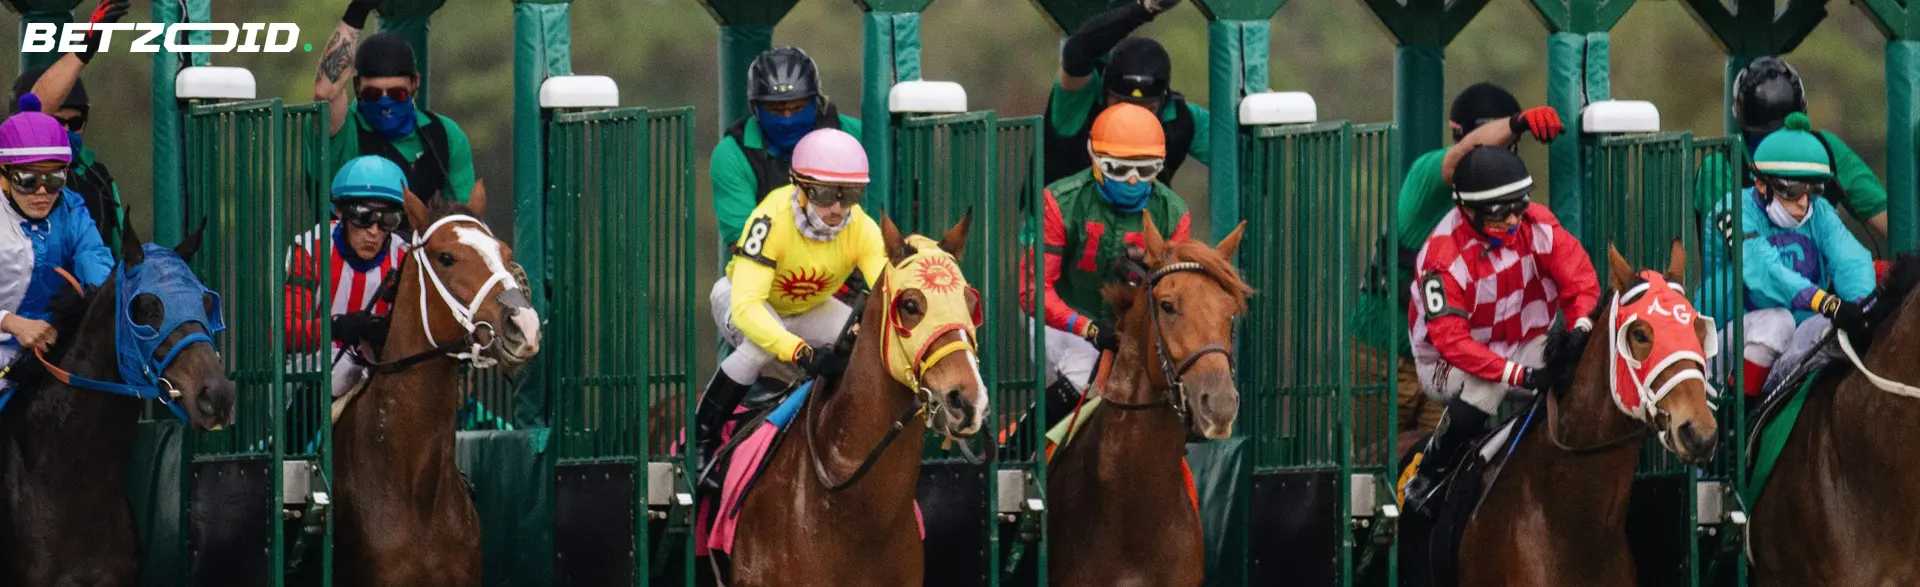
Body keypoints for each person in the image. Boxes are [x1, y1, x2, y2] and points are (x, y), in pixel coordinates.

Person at [1352, 83, 1563, 436]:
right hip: (1380, 357)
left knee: (1441, 473)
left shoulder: (1511, 207)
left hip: (1449, 366)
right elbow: (1468, 151)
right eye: (1497, 139)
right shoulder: (1430, 173)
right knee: (1365, 467)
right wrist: (1518, 122)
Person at [1400, 145, 1599, 511]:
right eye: (1499, 212)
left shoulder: (1537, 226)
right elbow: (1452, 342)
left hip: (1518, 345)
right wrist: (1517, 373)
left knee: (1579, 369)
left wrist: (1581, 329)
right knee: (1487, 384)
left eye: (1518, 206)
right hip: (1447, 362)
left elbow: (1581, 281)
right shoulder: (1442, 257)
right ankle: (1429, 471)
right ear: (1467, 211)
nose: (1512, 221)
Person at [694, 128, 888, 490]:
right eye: (827, 194)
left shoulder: (862, 227)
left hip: (808, 308)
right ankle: (700, 442)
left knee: (867, 347)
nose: (837, 209)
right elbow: (749, 307)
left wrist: (863, 329)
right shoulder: (771, 220)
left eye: (849, 195)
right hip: (742, 298)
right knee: (759, 346)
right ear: (800, 187)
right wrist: (799, 351)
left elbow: (884, 292)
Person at [1026, 103, 1193, 421]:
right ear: (1095, 160)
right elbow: (1032, 290)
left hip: (1131, 328)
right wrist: (1086, 327)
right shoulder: (1059, 201)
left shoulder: (1175, 213)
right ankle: (1018, 451)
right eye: (1120, 169)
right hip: (1062, 322)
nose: (1132, 181)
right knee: (1084, 370)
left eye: (1145, 170)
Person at [1699, 113, 1879, 399]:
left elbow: (1850, 259)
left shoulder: (1818, 212)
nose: (1803, 203)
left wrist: (1862, 307)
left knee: (1837, 332)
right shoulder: (1732, 210)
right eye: (1793, 191)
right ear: (1761, 184)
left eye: (1811, 190)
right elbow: (1763, 270)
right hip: (1723, 344)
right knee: (1777, 322)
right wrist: (1827, 302)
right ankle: (1737, 418)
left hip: (1791, 340)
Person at [1695, 57, 1887, 239]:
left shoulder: (1826, 148)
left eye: (1788, 134)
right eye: (1765, 137)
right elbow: (1743, 256)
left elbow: (1888, 219)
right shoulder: (1719, 169)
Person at [0, 95, 116, 392]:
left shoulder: (71, 208)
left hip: (45, 353)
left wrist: (105, 293)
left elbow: (94, 256)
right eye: (27, 180)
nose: (42, 192)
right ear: (3, 177)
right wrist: (13, 323)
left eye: (54, 180)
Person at [313, 0, 476, 206]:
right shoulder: (343, 130)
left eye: (396, 94)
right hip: (346, 236)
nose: (385, 102)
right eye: (372, 93)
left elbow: (463, 220)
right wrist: (358, 10)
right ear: (356, 86)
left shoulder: (446, 134)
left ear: (415, 84)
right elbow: (325, 93)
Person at [1043, 0, 1209, 185]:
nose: (1131, 118)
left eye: (1147, 108)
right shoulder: (1078, 102)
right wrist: (1144, 8)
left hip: (1145, 213)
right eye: (1120, 105)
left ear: (1163, 103)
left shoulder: (1180, 118)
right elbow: (1076, 53)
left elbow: (1236, 145)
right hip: (1059, 212)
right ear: (1104, 94)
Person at [10, 0, 131, 253]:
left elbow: (122, 266)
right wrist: (87, 45)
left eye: (74, 122)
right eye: (56, 121)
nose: (64, 132)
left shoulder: (98, 181)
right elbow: (34, 113)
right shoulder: (8, 172)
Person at [285, 155, 411, 399]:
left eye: (387, 221)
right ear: (340, 211)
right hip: (306, 370)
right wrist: (336, 327)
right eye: (364, 216)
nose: (373, 232)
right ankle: (294, 438)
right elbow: (284, 333)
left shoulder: (405, 257)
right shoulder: (310, 250)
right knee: (346, 369)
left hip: (377, 368)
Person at [711, 46, 864, 247]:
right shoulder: (733, 154)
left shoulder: (853, 135)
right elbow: (743, 241)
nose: (787, 119)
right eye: (775, 109)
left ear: (816, 103)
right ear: (755, 109)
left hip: (853, 260)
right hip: (770, 266)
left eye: (797, 108)